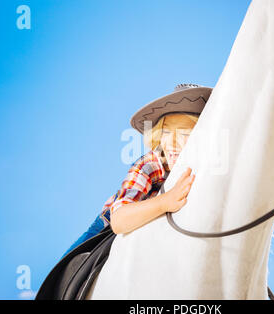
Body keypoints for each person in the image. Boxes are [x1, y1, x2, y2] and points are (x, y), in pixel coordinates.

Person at [62, 83, 213, 258]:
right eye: (166, 132)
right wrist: (166, 201)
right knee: (64, 271)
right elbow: (119, 220)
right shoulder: (150, 164)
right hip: (108, 227)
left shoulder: (208, 168)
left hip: (156, 234)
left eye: (184, 134)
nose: (171, 143)